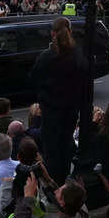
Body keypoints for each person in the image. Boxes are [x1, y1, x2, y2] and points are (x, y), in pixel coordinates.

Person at [30, 17, 87, 185]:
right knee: (66, 144)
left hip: (51, 112)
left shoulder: (46, 57)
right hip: (70, 110)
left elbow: (33, 79)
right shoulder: (77, 54)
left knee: (52, 150)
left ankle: (55, 184)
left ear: (52, 34)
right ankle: (63, 180)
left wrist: (43, 95)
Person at [14, 172, 89, 218]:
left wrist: (28, 197)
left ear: (62, 202)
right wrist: (48, 179)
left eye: (58, 191)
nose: (55, 191)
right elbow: (63, 200)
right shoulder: (80, 213)